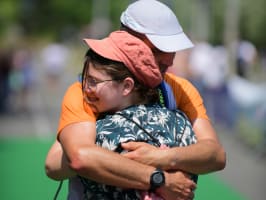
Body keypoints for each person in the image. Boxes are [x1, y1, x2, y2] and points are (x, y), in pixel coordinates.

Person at [45, 0, 226, 199]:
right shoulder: (89, 92)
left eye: (173, 48)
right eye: (158, 49)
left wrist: (161, 156)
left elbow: (215, 155)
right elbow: (67, 161)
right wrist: (159, 180)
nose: (170, 60)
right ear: (128, 39)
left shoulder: (179, 89)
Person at [77, 30, 197, 199]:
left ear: (127, 86)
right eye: (86, 79)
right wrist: (164, 174)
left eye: (94, 81)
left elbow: (74, 161)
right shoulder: (182, 123)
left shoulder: (101, 131)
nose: (86, 88)